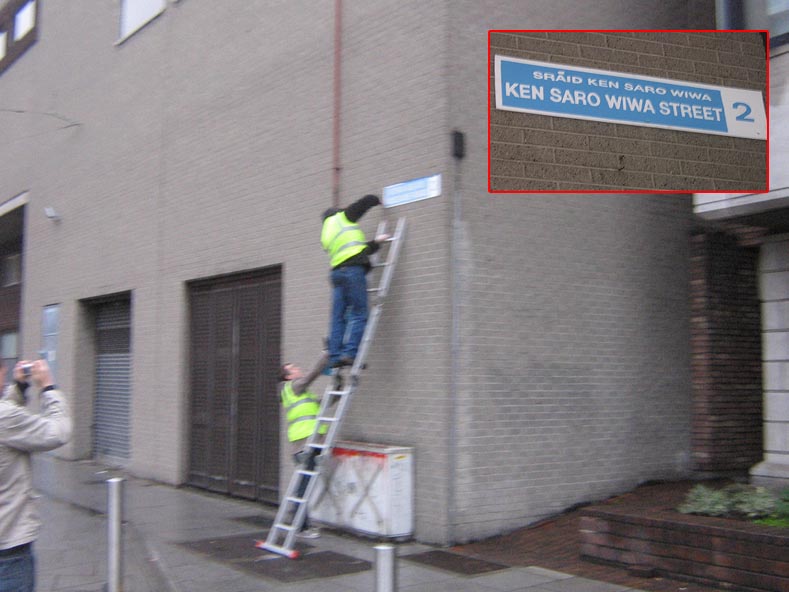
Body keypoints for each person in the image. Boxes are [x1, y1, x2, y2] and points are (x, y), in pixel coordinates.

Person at [0, 358, 72, 592]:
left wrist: (19, 389)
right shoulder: (5, 418)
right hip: (8, 549)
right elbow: (58, 432)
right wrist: (48, 387)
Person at [321, 194, 389, 369]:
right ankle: (350, 354)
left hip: (337, 274)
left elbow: (355, 250)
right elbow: (362, 204)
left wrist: (376, 243)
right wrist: (377, 199)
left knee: (338, 317)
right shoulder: (342, 217)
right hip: (353, 272)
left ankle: (335, 357)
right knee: (359, 313)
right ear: (337, 213)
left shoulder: (327, 233)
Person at [279, 349, 330, 539]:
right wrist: (325, 356)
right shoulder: (292, 387)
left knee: (305, 484)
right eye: (294, 368)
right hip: (304, 443)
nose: (298, 369)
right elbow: (311, 376)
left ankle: (300, 523)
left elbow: (322, 403)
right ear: (287, 376)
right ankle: (301, 526)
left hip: (309, 442)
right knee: (304, 485)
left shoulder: (302, 394)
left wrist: (340, 391)